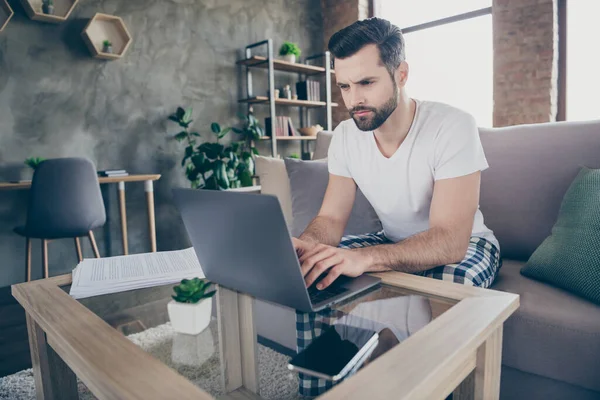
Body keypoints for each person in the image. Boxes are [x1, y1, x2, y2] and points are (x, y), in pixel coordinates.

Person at [292, 17, 501, 396]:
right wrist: (308, 246)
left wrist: (367, 259)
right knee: (314, 269)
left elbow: (451, 242)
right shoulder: (344, 137)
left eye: (367, 83)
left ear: (400, 74)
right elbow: (330, 218)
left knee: (451, 282)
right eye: (344, 86)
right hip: (392, 239)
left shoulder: (452, 126)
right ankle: (321, 390)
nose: (354, 99)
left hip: (467, 243)